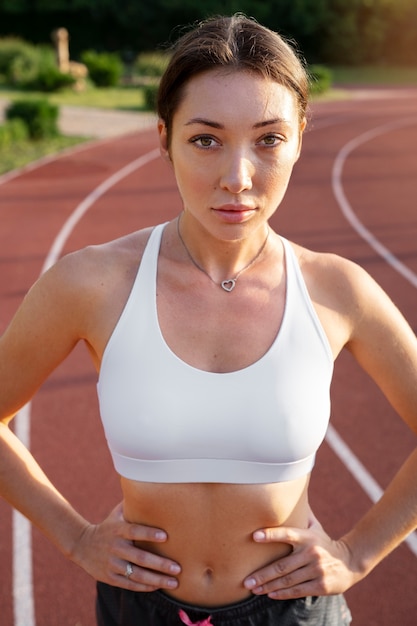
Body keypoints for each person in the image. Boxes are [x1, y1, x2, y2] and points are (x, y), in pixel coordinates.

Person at [1, 14, 417, 626]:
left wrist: (357, 553)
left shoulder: (339, 290)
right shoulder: (91, 283)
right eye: (206, 139)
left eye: (269, 139)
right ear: (164, 136)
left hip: (293, 613)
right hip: (138, 609)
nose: (237, 178)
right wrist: (74, 536)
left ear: (301, 137)